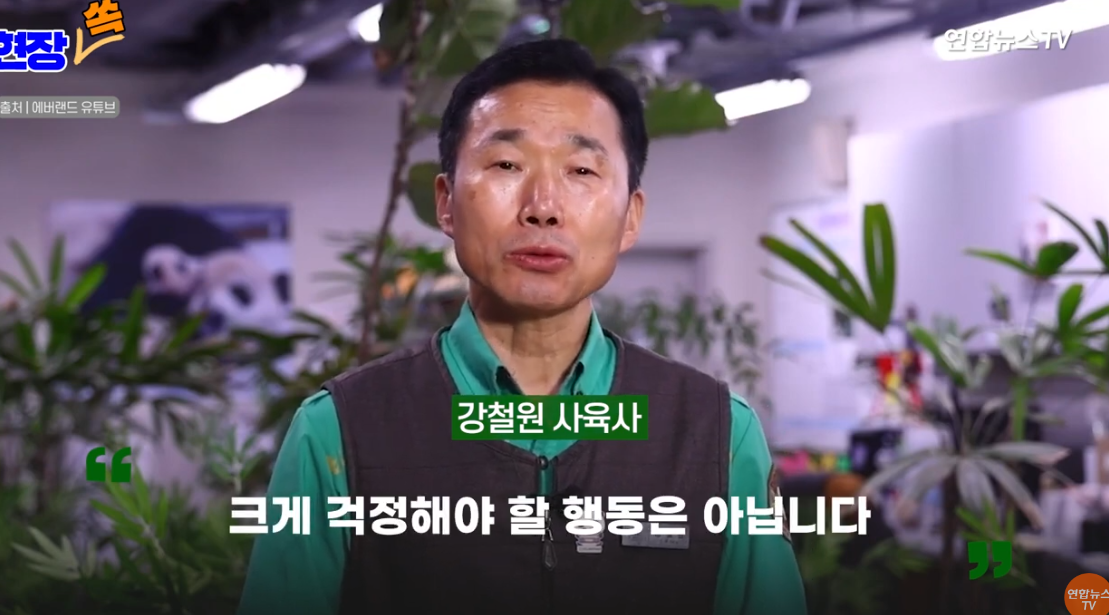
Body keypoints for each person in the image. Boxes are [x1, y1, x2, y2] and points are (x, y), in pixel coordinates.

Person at [237, 38, 806, 615]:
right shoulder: (339, 433)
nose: (543, 207)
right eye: (506, 165)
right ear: (446, 203)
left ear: (630, 217)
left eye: (581, 170)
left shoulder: (715, 436)